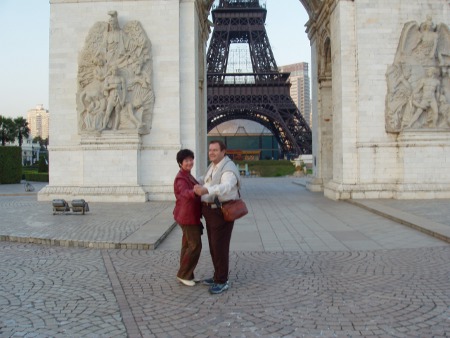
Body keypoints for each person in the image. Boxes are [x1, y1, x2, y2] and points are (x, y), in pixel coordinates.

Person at [194, 140, 241, 294]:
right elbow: (205, 179)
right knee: (214, 246)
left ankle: (222, 281)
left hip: (221, 212)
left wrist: (206, 191)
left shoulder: (228, 168)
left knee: (220, 247)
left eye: (215, 150)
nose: (211, 153)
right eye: (210, 150)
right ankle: (217, 276)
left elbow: (226, 186)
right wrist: (192, 182)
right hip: (211, 212)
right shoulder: (214, 165)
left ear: (223, 151)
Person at [173, 149, 203, 287]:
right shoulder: (181, 178)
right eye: (186, 160)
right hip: (187, 217)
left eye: (191, 159)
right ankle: (183, 274)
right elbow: (184, 193)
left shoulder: (188, 175)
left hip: (188, 215)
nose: (189, 162)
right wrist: (195, 192)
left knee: (187, 245)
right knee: (195, 245)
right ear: (180, 163)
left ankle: (187, 274)